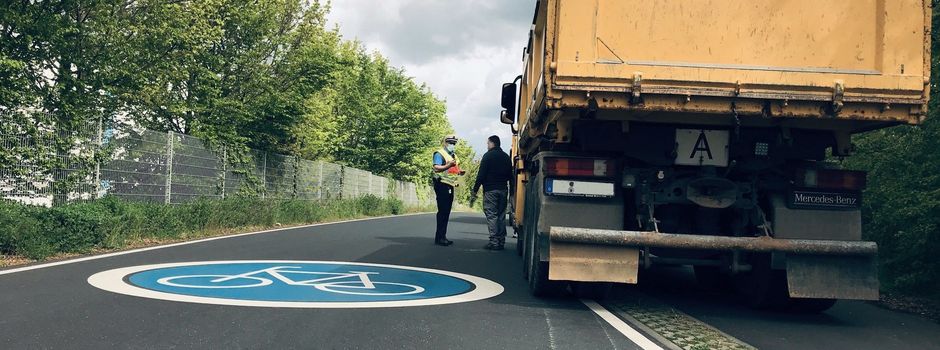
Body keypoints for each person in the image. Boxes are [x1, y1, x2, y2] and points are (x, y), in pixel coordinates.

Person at [472, 135, 513, 250]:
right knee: (501, 216)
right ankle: (501, 241)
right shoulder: (506, 157)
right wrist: (512, 192)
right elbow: (511, 176)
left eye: (488, 143)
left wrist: (475, 190)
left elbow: (481, 175)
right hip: (503, 190)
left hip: (490, 190)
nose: (487, 145)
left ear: (492, 143)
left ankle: (494, 242)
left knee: (491, 215)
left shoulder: (488, 156)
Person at [432, 135, 464, 246]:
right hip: (441, 184)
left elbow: (453, 170)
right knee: (443, 211)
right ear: (445, 143)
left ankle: (442, 236)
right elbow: (436, 167)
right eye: (450, 143)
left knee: (447, 212)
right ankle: (440, 237)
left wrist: (459, 172)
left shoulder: (453, 155)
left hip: (450, 185)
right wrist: (448, 165)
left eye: (454, 143)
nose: (452, 145)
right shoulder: (440, 154)